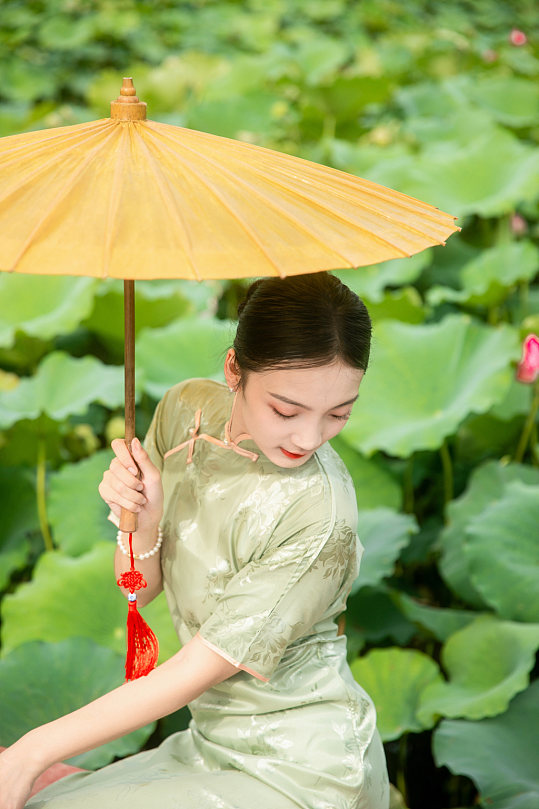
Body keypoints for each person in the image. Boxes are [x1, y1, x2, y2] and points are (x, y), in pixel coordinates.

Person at [0, 272, 390, 809]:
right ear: (235, 369)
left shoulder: (320, 513)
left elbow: (193, 672)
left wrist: (29, 752)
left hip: (300, 767)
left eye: (339, 414)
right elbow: (138, 587)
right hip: (208, 743)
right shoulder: (184, 410)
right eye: (286, 409)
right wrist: (143, 515)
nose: (309, 437)